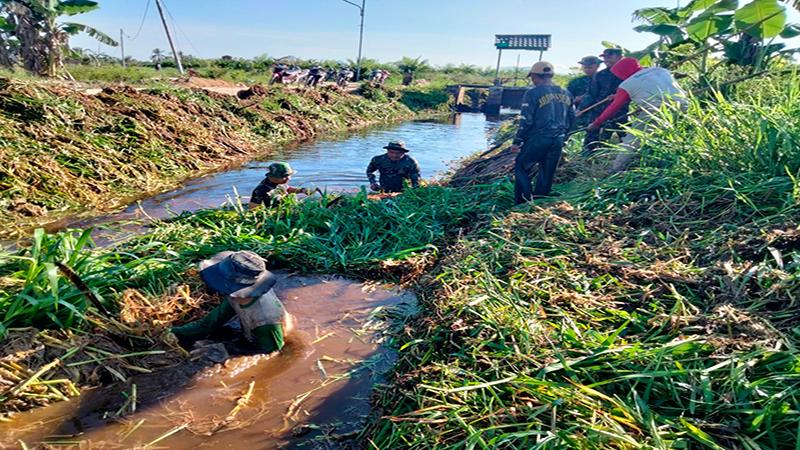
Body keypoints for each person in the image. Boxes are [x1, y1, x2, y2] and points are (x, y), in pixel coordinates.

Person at [171, 251, 293, 353]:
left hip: (265, 338)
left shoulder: (265, 320)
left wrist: (226, 351)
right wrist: (172, 333)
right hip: (254, 329)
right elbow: (208, 324)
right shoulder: (237, 295)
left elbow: (271, 355)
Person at [588, 57, 688, 173]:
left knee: (632, 139)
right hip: (683, 104)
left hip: (656, 110)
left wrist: (596, 123)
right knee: (670, 136)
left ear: (622, 72)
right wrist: (618, 95)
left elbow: (613, 108)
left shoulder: (627, 84)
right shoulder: (660, 70)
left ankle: (615, 170)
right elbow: (653, 86)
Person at [510, 61, 576, 205]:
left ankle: (523, 203)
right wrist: (565, 136)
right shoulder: (566, 92)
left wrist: (517, 142)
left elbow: (526, 120)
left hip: (538, 138)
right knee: (547, 171)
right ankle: (540, 202)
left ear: (534, 76)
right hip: (558, 138)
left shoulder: (533, 93)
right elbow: (572, 118)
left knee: (521, 165)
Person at [580, 48, 627, 154]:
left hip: (620, 113)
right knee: (592, 142)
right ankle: (587, 158)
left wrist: (618, 96)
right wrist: (581, 109)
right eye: (605, 57)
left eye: (610, 57)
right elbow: (590, 95)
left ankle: (630, 163)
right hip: (599, 112)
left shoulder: (628, 73)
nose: (606, 59)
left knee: (627, 139)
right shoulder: (600, 75)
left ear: (620, 57)